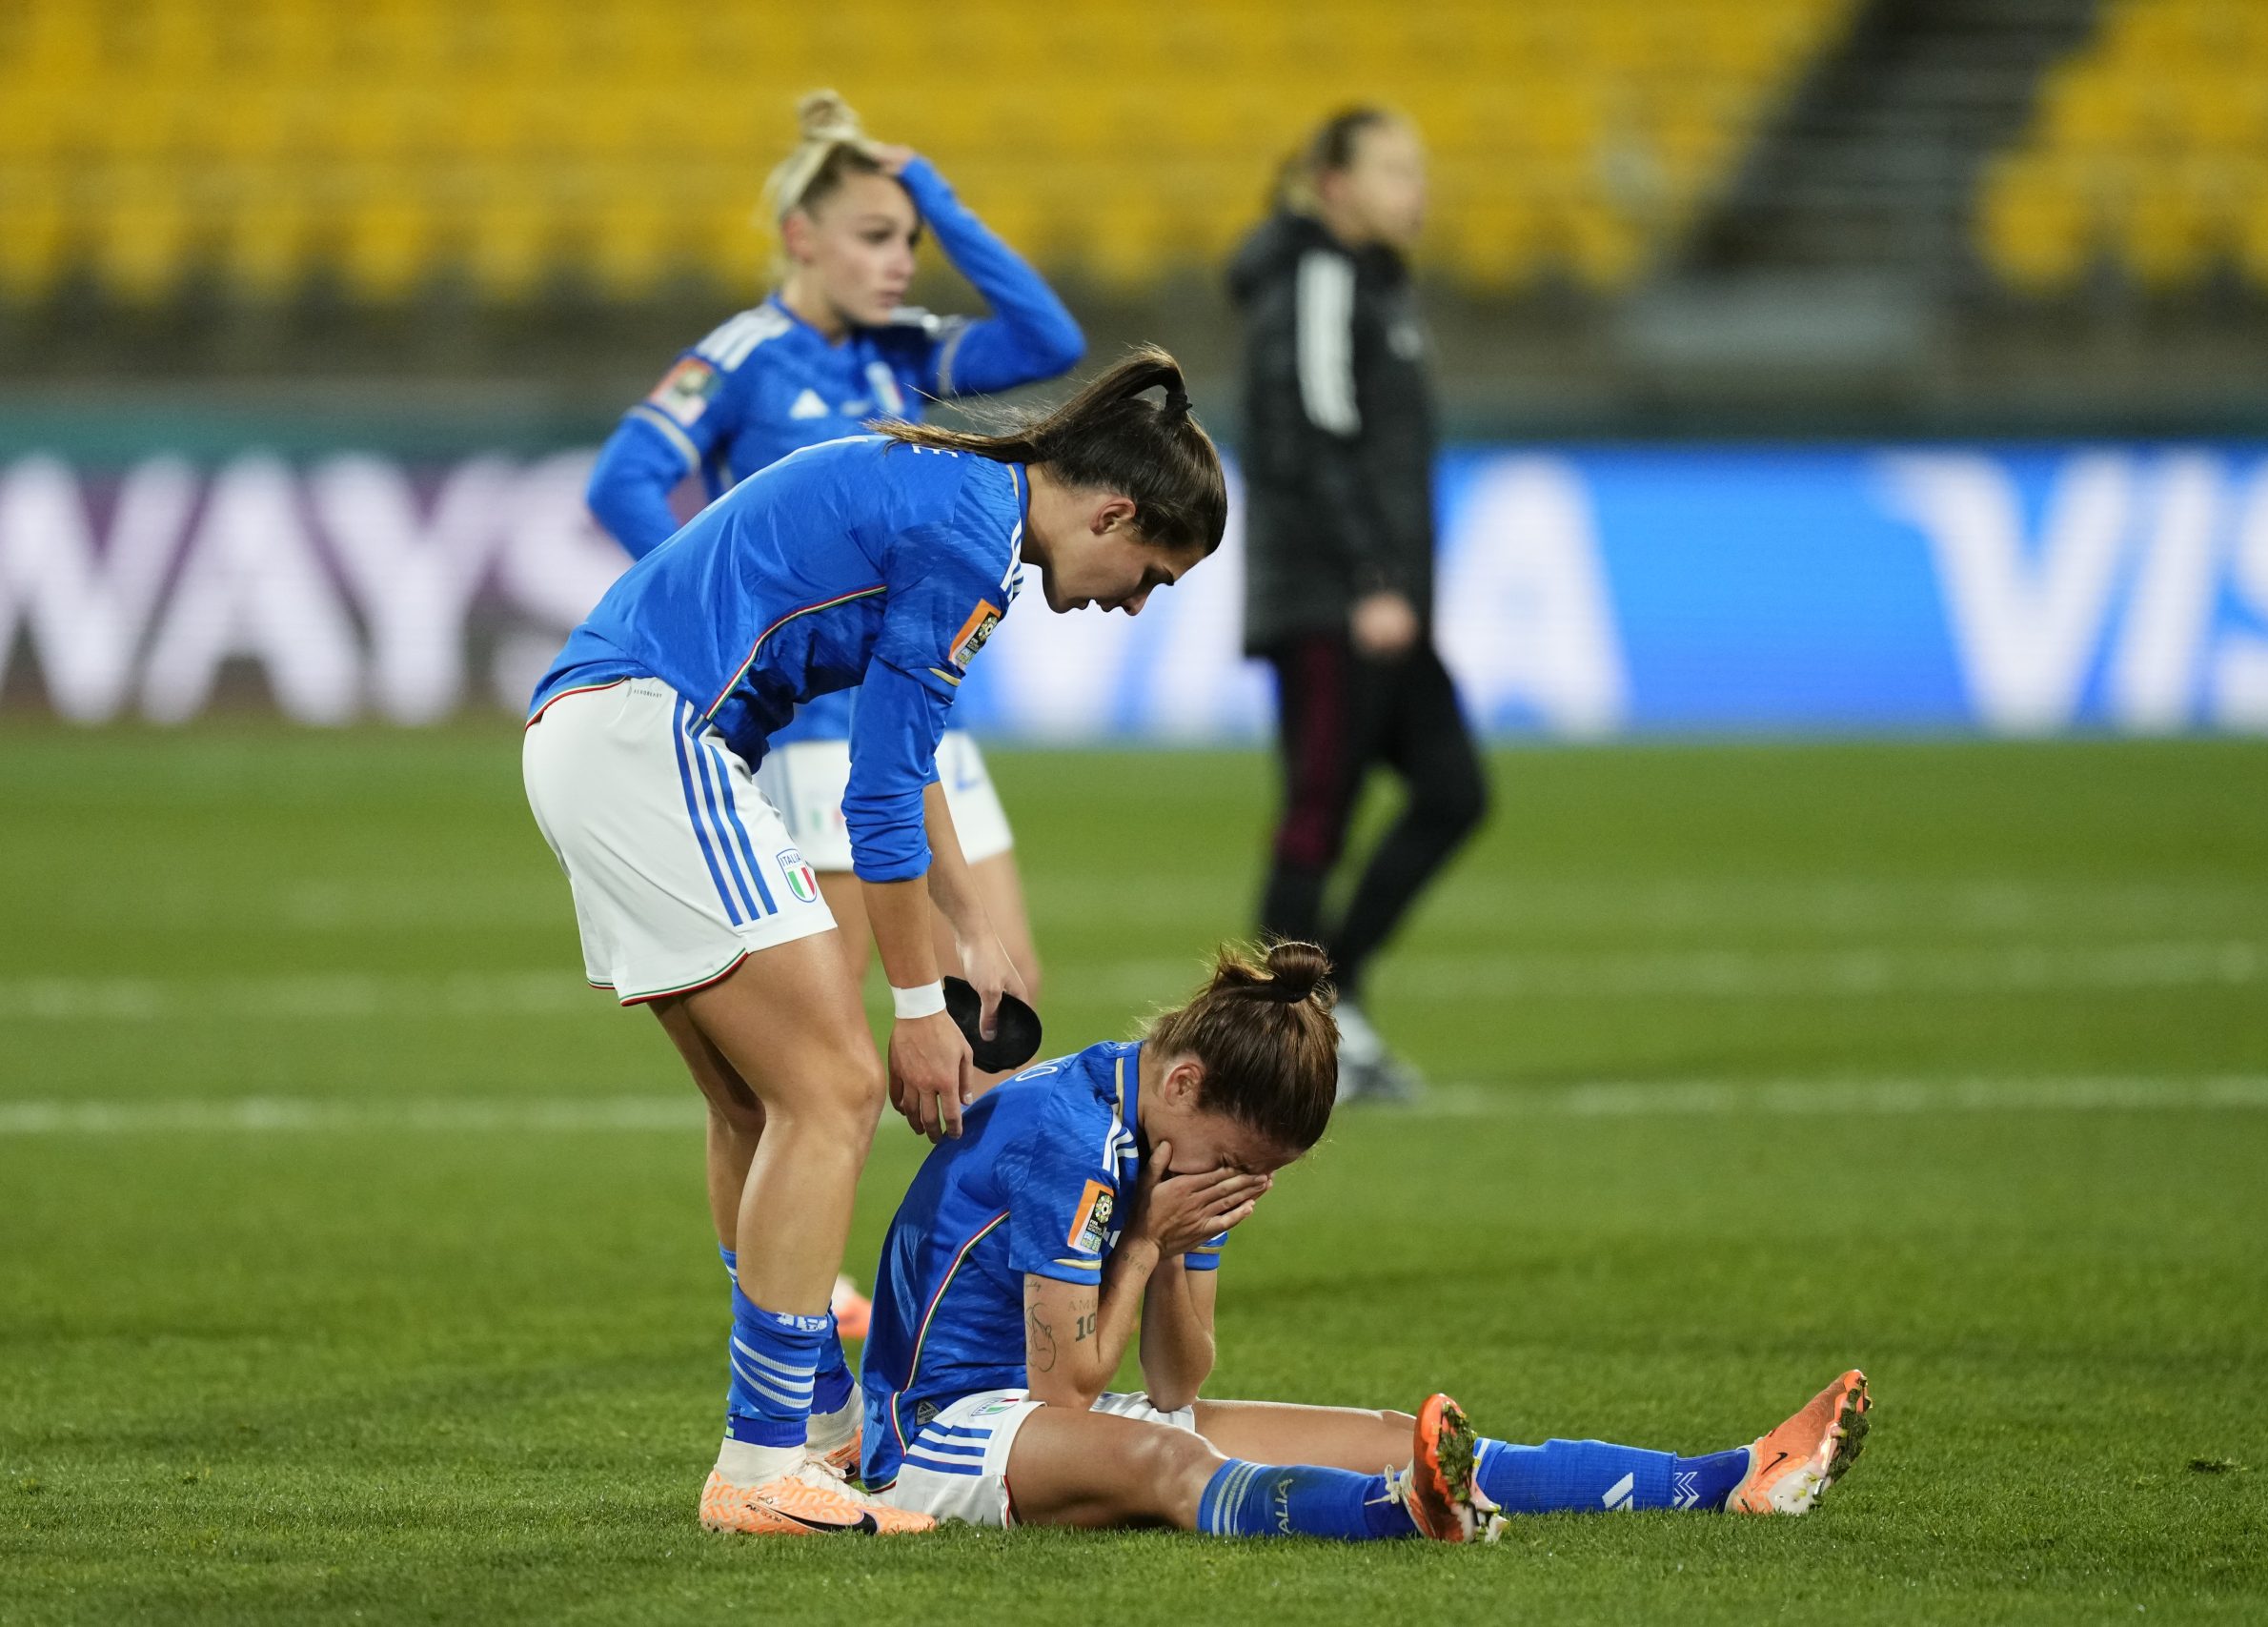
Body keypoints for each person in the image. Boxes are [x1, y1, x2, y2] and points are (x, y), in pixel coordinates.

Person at [523, 347, 1226, 1537]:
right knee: (839, 1092)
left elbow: (901, 761)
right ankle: (759, 1470)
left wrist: (969, 923)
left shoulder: (958, 498)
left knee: (758, 1108)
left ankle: (813, 1432)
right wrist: (918, 1007)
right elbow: (880, 799)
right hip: (655, 737)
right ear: (1113, 510)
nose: (1132, 598)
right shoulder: (968, 542)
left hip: (601, 730)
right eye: (1148, 571)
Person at [856, 940, 1873, 1539]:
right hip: (937, 1433)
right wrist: (1140, 1251)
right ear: (1182, 1086)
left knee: (1384, 1429)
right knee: (1164, 1462)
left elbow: (1176, 1379)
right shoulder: (1067, 1135)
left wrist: (1176, 1249)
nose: (1239, 1187)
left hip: (1040, 1408)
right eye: (1236, 1162)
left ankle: (1724, 1477)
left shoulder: (1179, 1145)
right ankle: (1404, 1514)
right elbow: (1066, 1393)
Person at [587, 88, 1078, 1018]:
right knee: (837, 1033)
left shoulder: (901, 352)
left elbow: (1049, 340)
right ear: (800, 235)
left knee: (997, 996)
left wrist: (931, 192)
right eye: (873, 237)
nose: (898, 263)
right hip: (818, 733)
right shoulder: (747, 353)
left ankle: (947, 1171)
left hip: (918, 710)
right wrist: (711, 608)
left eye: (909, 242)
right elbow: (625, 478)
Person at [1227, 107, 1488, 1104]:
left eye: (1416, 167)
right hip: (1333, 595)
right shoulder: (1319, 277)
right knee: (1315, 816)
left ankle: (1328, 1001)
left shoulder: (1375, 282)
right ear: (1331, 183)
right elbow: (1305, 432)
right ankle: (1273, 1048)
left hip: (1374, 592)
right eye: (1391, 169)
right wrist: (1372, 577)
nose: (1413, 187)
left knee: (1452, 790)